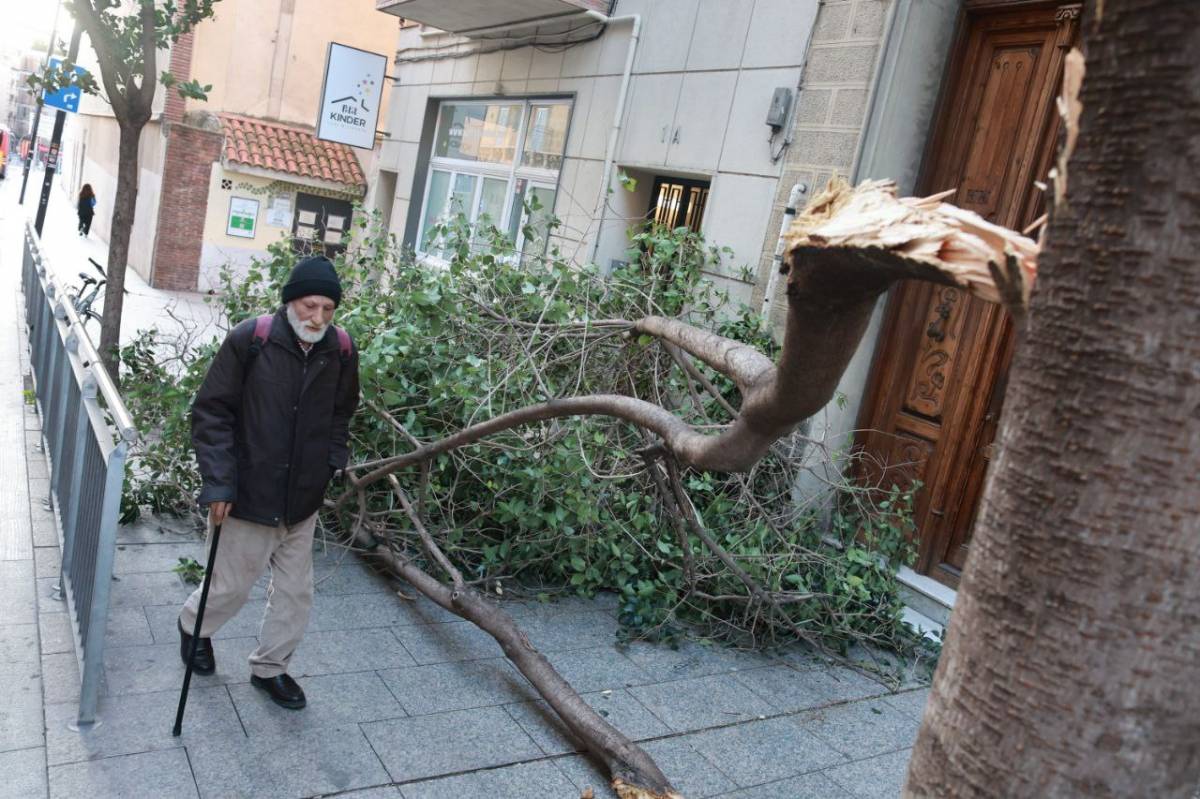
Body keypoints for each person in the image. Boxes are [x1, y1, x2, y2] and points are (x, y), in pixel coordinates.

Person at [179, 255, 360, 709]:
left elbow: (342, 412)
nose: (318, 317)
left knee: (296, 595)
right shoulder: (251, 339)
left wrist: (331, 461)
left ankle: (270, 668)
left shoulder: (340, 349)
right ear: (289, 302)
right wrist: (218, 484)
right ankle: (193, 628)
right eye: (309, 306)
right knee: (229, 587)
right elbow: (212, 412)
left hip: (303, 498)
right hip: (248, 494)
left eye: (327, 309)